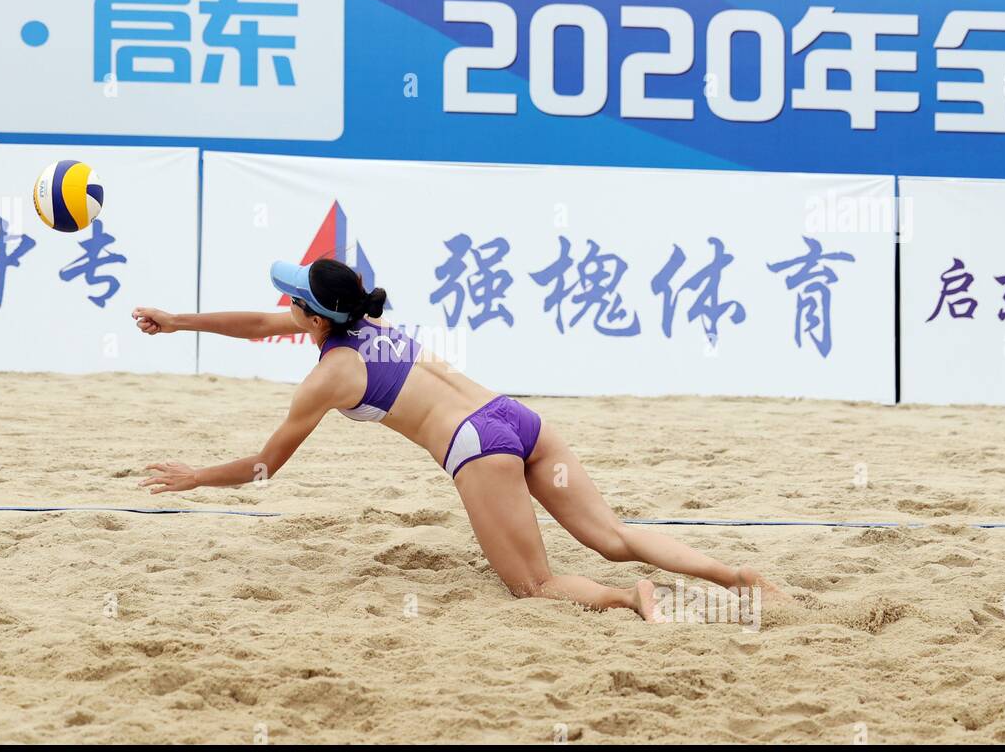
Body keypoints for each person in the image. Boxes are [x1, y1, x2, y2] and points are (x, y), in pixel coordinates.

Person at [132, 258, 780, 622]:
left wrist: (195, 477)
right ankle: (738, 578)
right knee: (611, 535)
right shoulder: (366, 317)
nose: (284, 304)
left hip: (477, 448)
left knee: (533, 585)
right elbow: (257, 324)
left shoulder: (329, 376)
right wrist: (179, 319)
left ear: (313, 316)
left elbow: (263, 468)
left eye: (294, 297)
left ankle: (626, 600)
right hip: (517, 418)